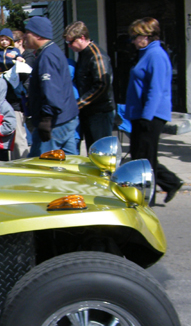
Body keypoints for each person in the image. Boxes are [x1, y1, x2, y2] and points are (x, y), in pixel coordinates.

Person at [125, 18, 183, 204]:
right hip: (141, 113)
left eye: (135, 37)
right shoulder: (146, 54)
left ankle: (147, 198)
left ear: (146, 36)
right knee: (140, 157)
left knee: (144, 161)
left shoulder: (156, 55)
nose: (133, 41)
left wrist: (146, 117)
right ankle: (171, 183)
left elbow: (156, 89)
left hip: (151, 115)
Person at [23, 16, 80, 157]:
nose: (24, 36)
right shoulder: (52, 51)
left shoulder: (47, 56)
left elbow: (52, 90)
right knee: (70, 161)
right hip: (66, 118)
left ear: (37, 34)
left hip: (55, 123)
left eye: (27, 32)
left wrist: (46, 119)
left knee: (40, 164)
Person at [63, 21, 115, 152]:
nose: (69, 46)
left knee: (101, 152)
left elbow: (102, 85)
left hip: (100, 112)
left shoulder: (96, 56)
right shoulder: (84, 54)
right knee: (93, 151)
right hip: (90, 111)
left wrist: (79, 103)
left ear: (81, 37)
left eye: (71, 42)